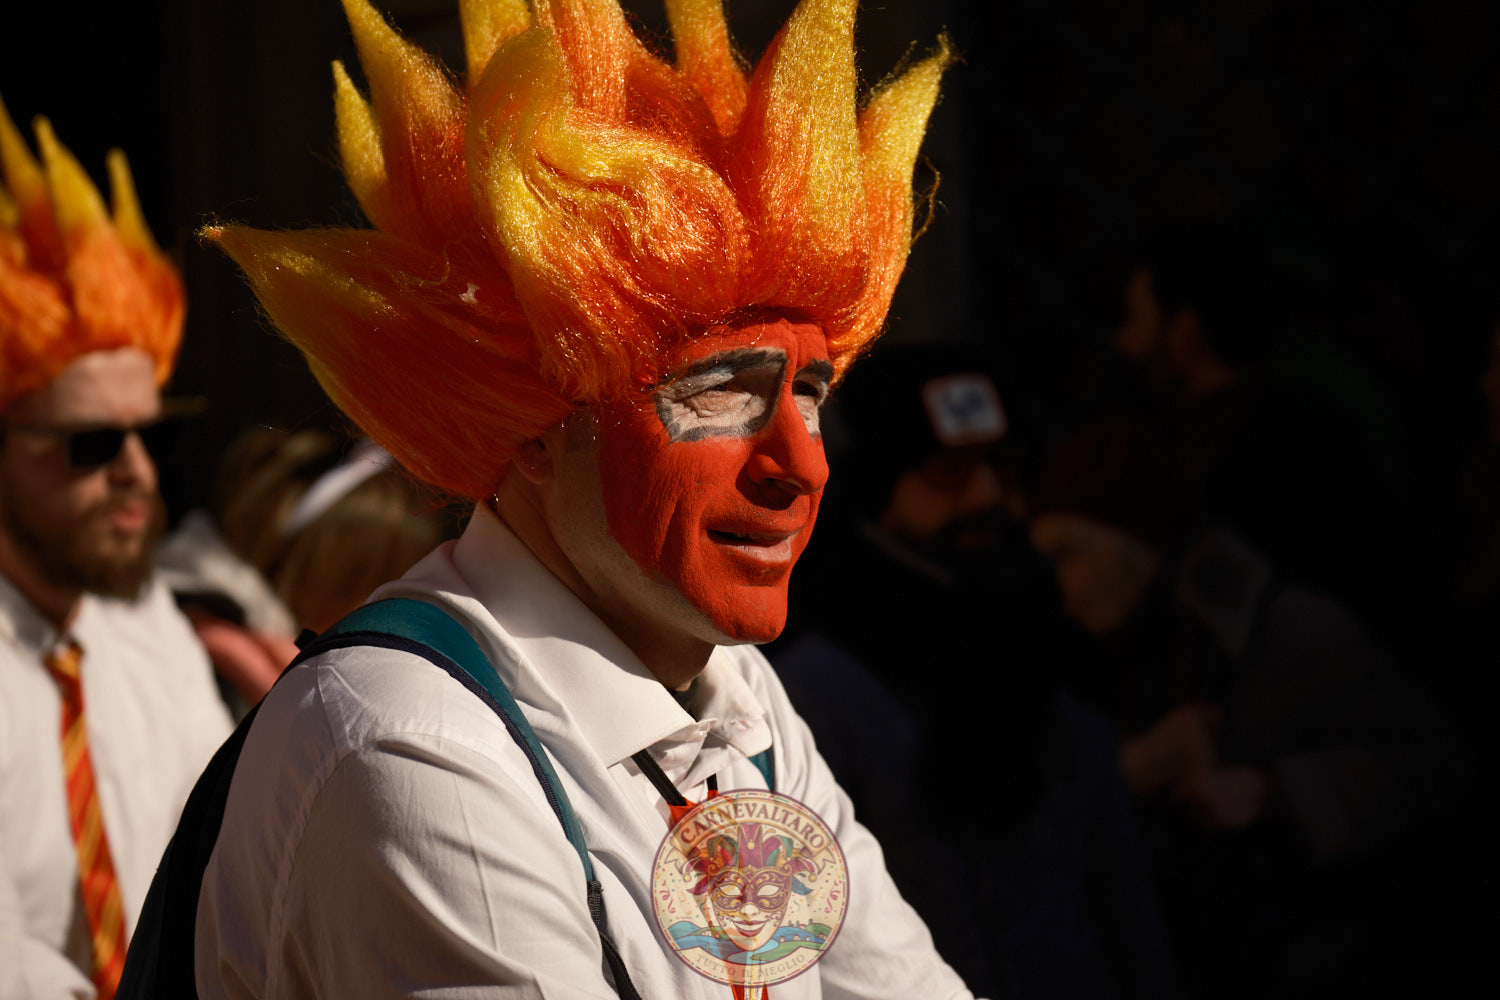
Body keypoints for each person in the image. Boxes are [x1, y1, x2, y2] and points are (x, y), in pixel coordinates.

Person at [194, 0, 975, 996]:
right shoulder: (416, 742)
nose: (801, 466)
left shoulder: (739, 701)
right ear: (533, 429)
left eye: (810, 396)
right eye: (722, 393)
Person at [772, 343, 1178, 998]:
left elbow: (1124, 902)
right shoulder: (819, 688)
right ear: (883, 492)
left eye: (1001, 466)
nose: (986, 494)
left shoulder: (1049, 640)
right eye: (947, 471)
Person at [1028, 419, 1471, 998]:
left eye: (1068, 555)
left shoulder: (1282, 630)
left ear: (1138, 545)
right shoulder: (1081, 664)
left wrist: (1273, 791)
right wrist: (1131, 768)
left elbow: (1440, 765)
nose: (1057, 588)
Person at [0, 99, 233, 998]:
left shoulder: (150, 635)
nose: (135, 470)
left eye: (154, 435)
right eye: (91, 443)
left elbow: (226, 867)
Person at [157, 429, 453, 714]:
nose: (393, 607)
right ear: (320, 574)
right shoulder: (208, 658)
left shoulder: (275, 658)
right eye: (379, 583)